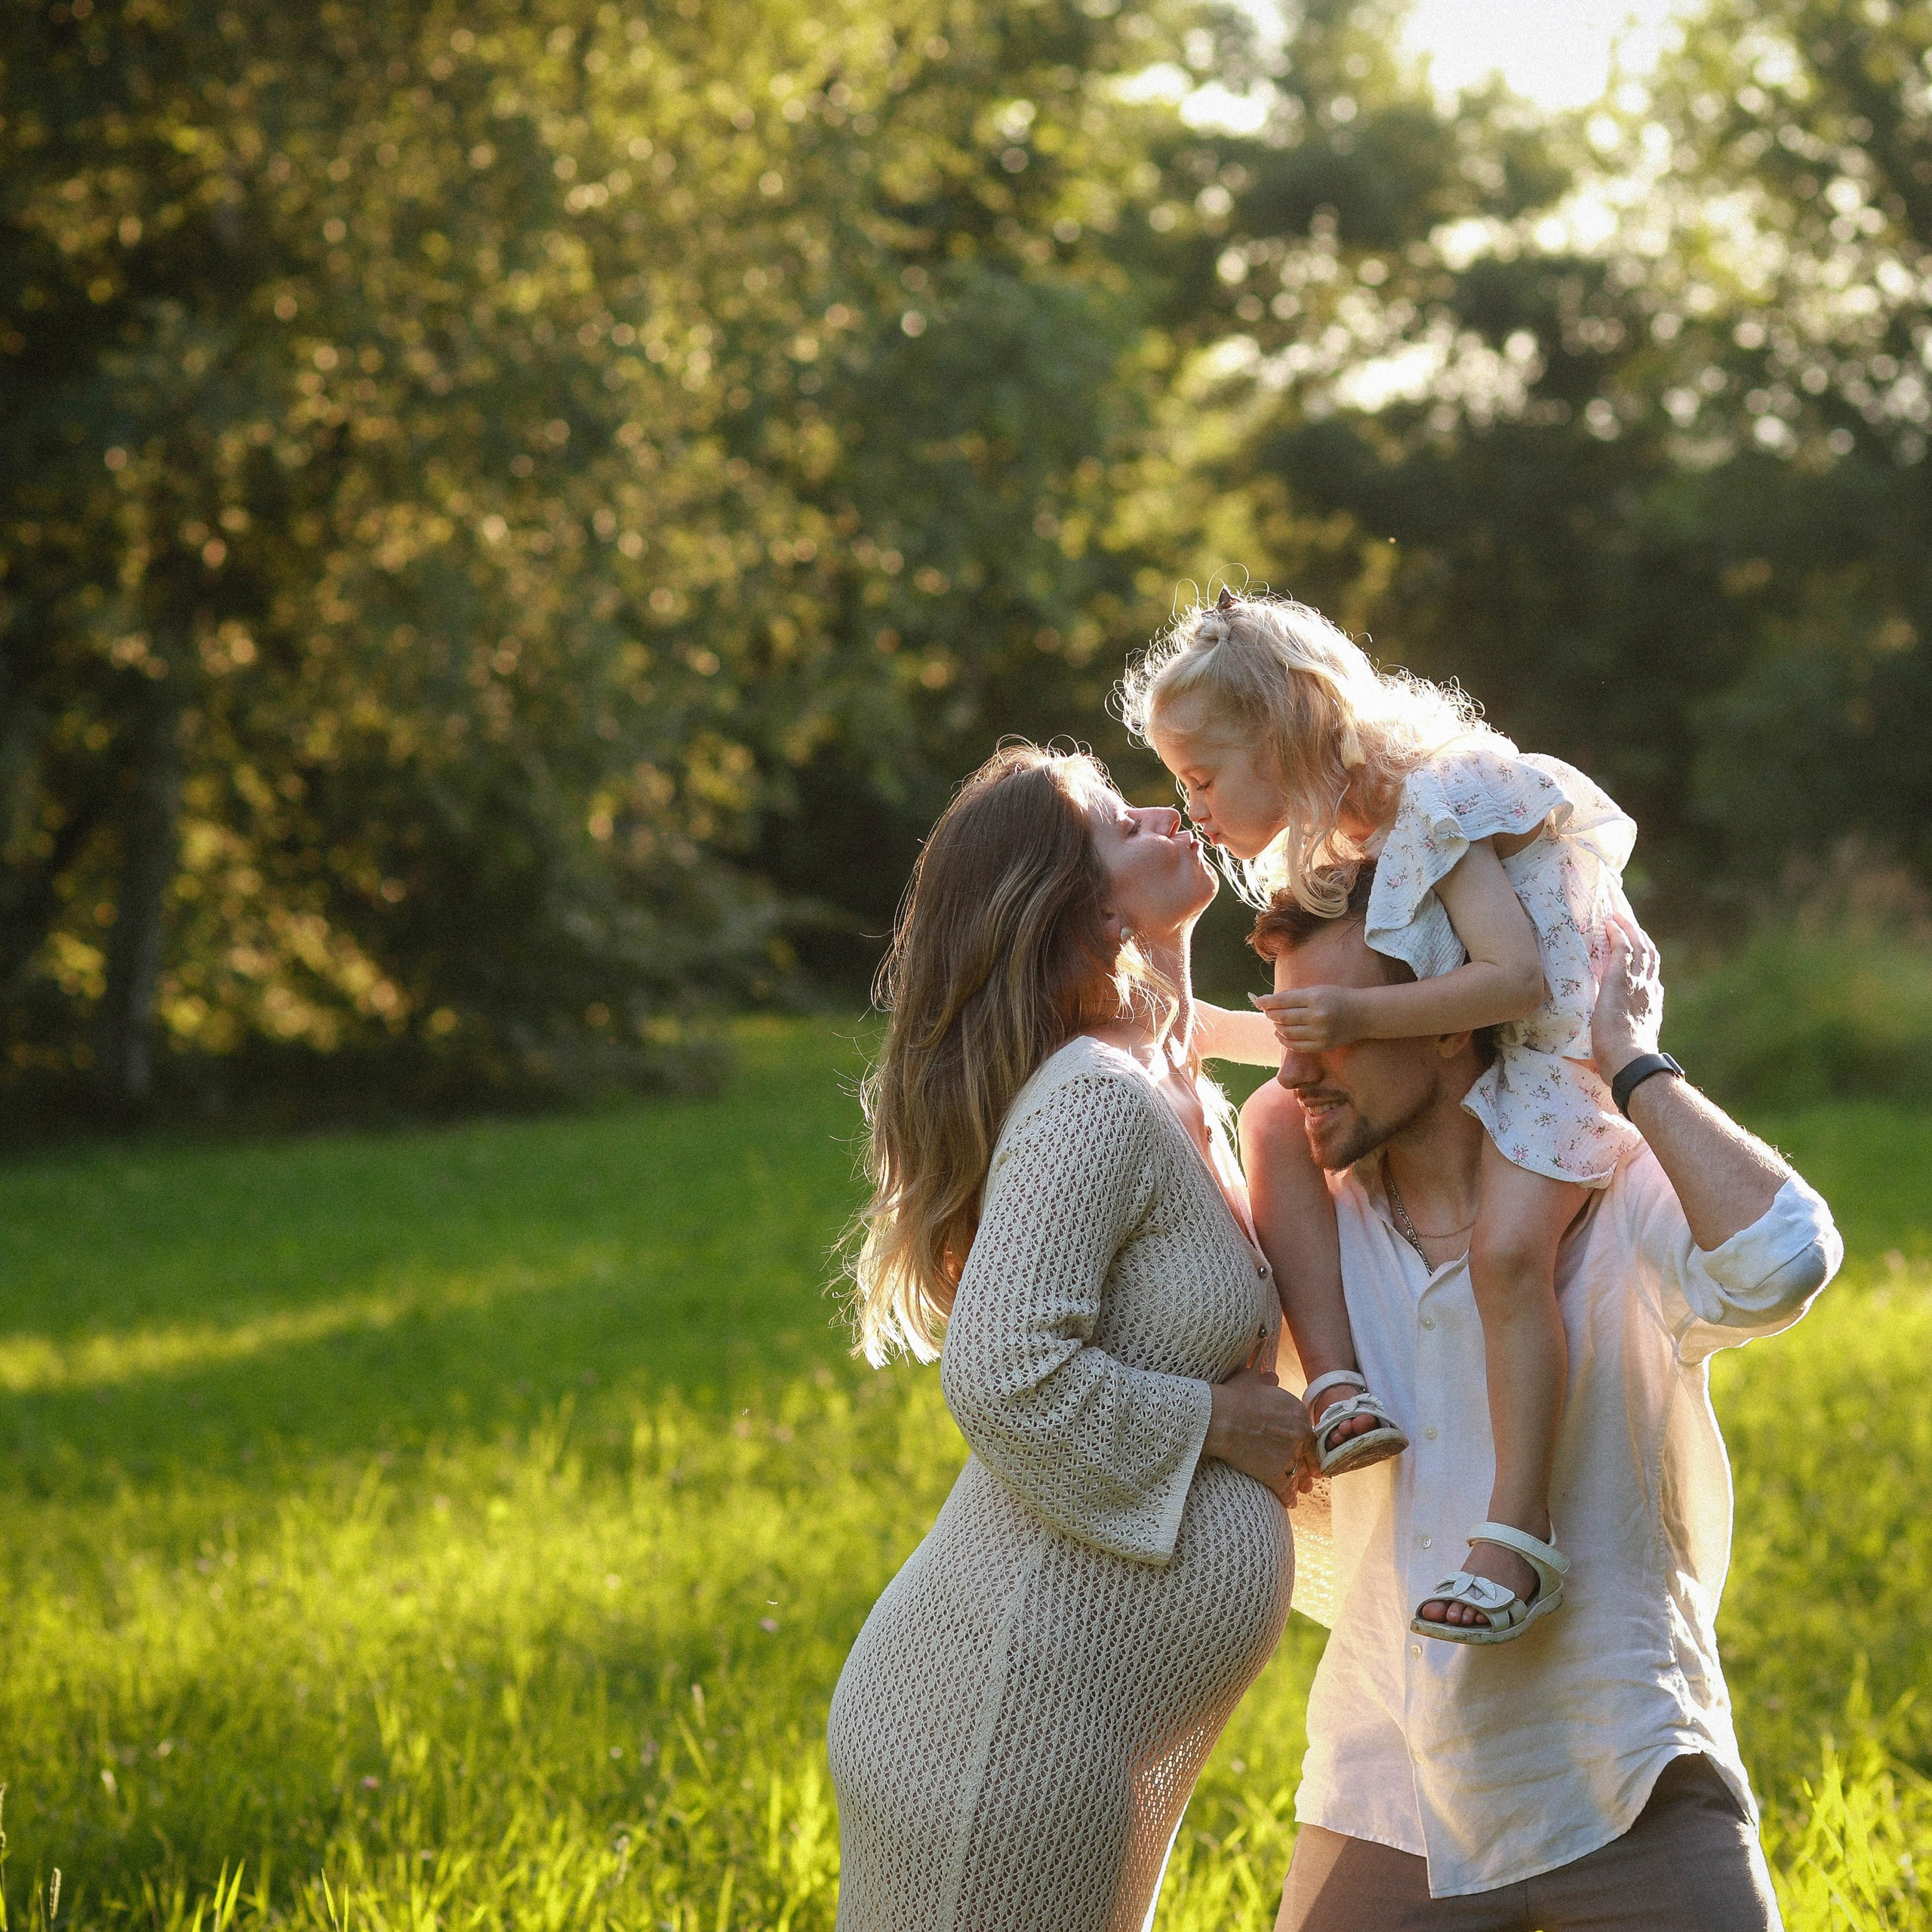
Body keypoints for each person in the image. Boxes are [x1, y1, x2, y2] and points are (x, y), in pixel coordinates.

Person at [1241, 866, 1841, 1929]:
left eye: (1333, 1028)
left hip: (1627, 1774)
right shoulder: (1305, 1232)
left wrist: (1630, 1062)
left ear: (1446, 1024)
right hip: (1389, 1788)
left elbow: (1785, 1261)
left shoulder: (1608, 1196)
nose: (1294, 1068)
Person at [826, 743, 1318, 1932]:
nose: (1166, 812)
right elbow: (1002, 1374)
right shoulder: (1090, 1104)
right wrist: (1221, 1421)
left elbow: (1186, 1016)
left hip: (1070, 1730)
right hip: (995, 1728)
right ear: (1074, 903)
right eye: (1118, 822)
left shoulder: (1157, 1075)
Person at [1122, 586, 1647, 1642]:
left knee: (1508, 1257)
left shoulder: (1433, 801)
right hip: (1466, 1041)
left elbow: (1514, 981)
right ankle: (1340, 1385)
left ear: (1282, 733)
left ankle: (1517, 1529)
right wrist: (1206, 1031)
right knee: (1274, 1120)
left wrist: (1354, 1008)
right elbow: (1379, 1037)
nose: (1197, 810)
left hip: (1560, 1042)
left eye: (1203, 777)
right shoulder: (1355, 840)